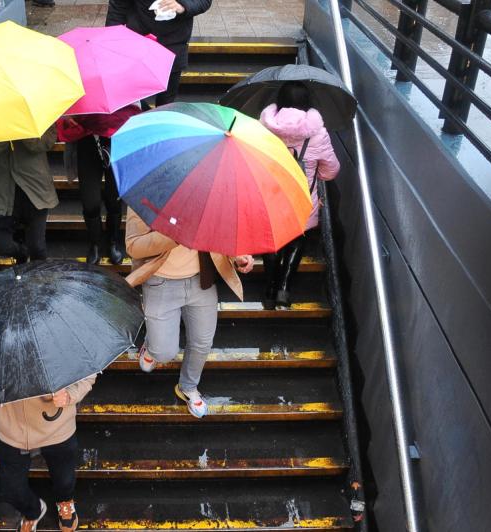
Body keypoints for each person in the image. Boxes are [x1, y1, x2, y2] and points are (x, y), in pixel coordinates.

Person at [124, 207, 254, 418]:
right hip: (160, 280)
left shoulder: (211, 196)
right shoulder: (144, 196)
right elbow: (133, 246)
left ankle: (188, 387)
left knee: (202, 342)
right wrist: (175, 235)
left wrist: (237, 257)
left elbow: (222, 234)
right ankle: (152, 345)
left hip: (201, 280)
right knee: (163, 353)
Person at [259, 83, 340, 309]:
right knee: (297, 239)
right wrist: (315, 175)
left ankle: (270, 288)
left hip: (270, 197)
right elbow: (331, 170)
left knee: (271, 240)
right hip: (303, 199)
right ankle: (284, 289)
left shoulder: (263, 128)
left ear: (280, 101)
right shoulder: (318, 134)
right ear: (307, 103)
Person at [0, 375, 96, 532]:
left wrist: (70, 394)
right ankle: (33, 511)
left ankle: (64, 500)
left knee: (64, 480)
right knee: (11, 490)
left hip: (57, 427)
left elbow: (87, 374)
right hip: (12, 430)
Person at [57, 105, 141, 264]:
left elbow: (135, 110)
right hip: (87, 141)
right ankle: (95, 244)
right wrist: (68, 117)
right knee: (90, 201)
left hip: (116, 140)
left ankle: (113, 241)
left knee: (114, 198)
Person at [0, 126, 58, 270]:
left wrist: (23, 130)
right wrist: (4, 133)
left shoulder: (36, 115)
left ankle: (39, 280)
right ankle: (21, 253)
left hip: (34, 187)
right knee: (1, 245)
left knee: (37, 247)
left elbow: (47, 142)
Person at [105, 0, 212, 105]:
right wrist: (110, 43)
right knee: (132, 100)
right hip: (138, 44)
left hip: (174, 45)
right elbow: (117, 9)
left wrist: (183, 5)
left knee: (166, 102)